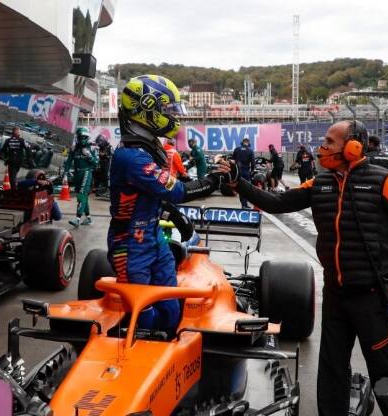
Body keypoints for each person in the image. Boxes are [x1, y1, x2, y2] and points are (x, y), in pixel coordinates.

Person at [230, 120, 388, 416]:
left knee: (382, 370)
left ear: (353, 146)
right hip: (335, 290)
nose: (323, 147)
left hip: (373, 294)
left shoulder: (384, 182)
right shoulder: (321, 182)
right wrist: (237, 182)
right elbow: (277, 202)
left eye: (331, 141)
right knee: (332, 365)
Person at [110, 74, 233, 332]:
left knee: (171, 311)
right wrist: (214, 180)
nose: (173, 116)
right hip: (130, 245)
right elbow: (176, 191)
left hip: (153, 237)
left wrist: (175, 216)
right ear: (147, 109)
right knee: (143, 319)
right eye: (167, 109)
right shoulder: (131, 157)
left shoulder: (146, 149)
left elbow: (150, 196)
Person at [64, 126, 99, 227]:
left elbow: (96, 164)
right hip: (77, 174)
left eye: (84, 137)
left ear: (87, 137)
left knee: (81, 195)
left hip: (87, 173)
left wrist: (89, 156)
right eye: (80, 137)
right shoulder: (74, 147)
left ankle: (77, 218)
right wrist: (65, 174)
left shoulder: (92, 147)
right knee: (83, 197)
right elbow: (69, 161)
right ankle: (88, 218)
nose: (82, 139)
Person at [232, 138, 255, 208]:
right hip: (246, 171)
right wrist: (252, 171)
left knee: (240, 187)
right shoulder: (250, 151)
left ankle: (243, 204)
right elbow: (253, 162)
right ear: (248, 143)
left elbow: (233, 160)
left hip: (238, 171)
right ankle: (244, 204)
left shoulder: (236, 149)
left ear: (242, 142)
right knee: (246, 188)